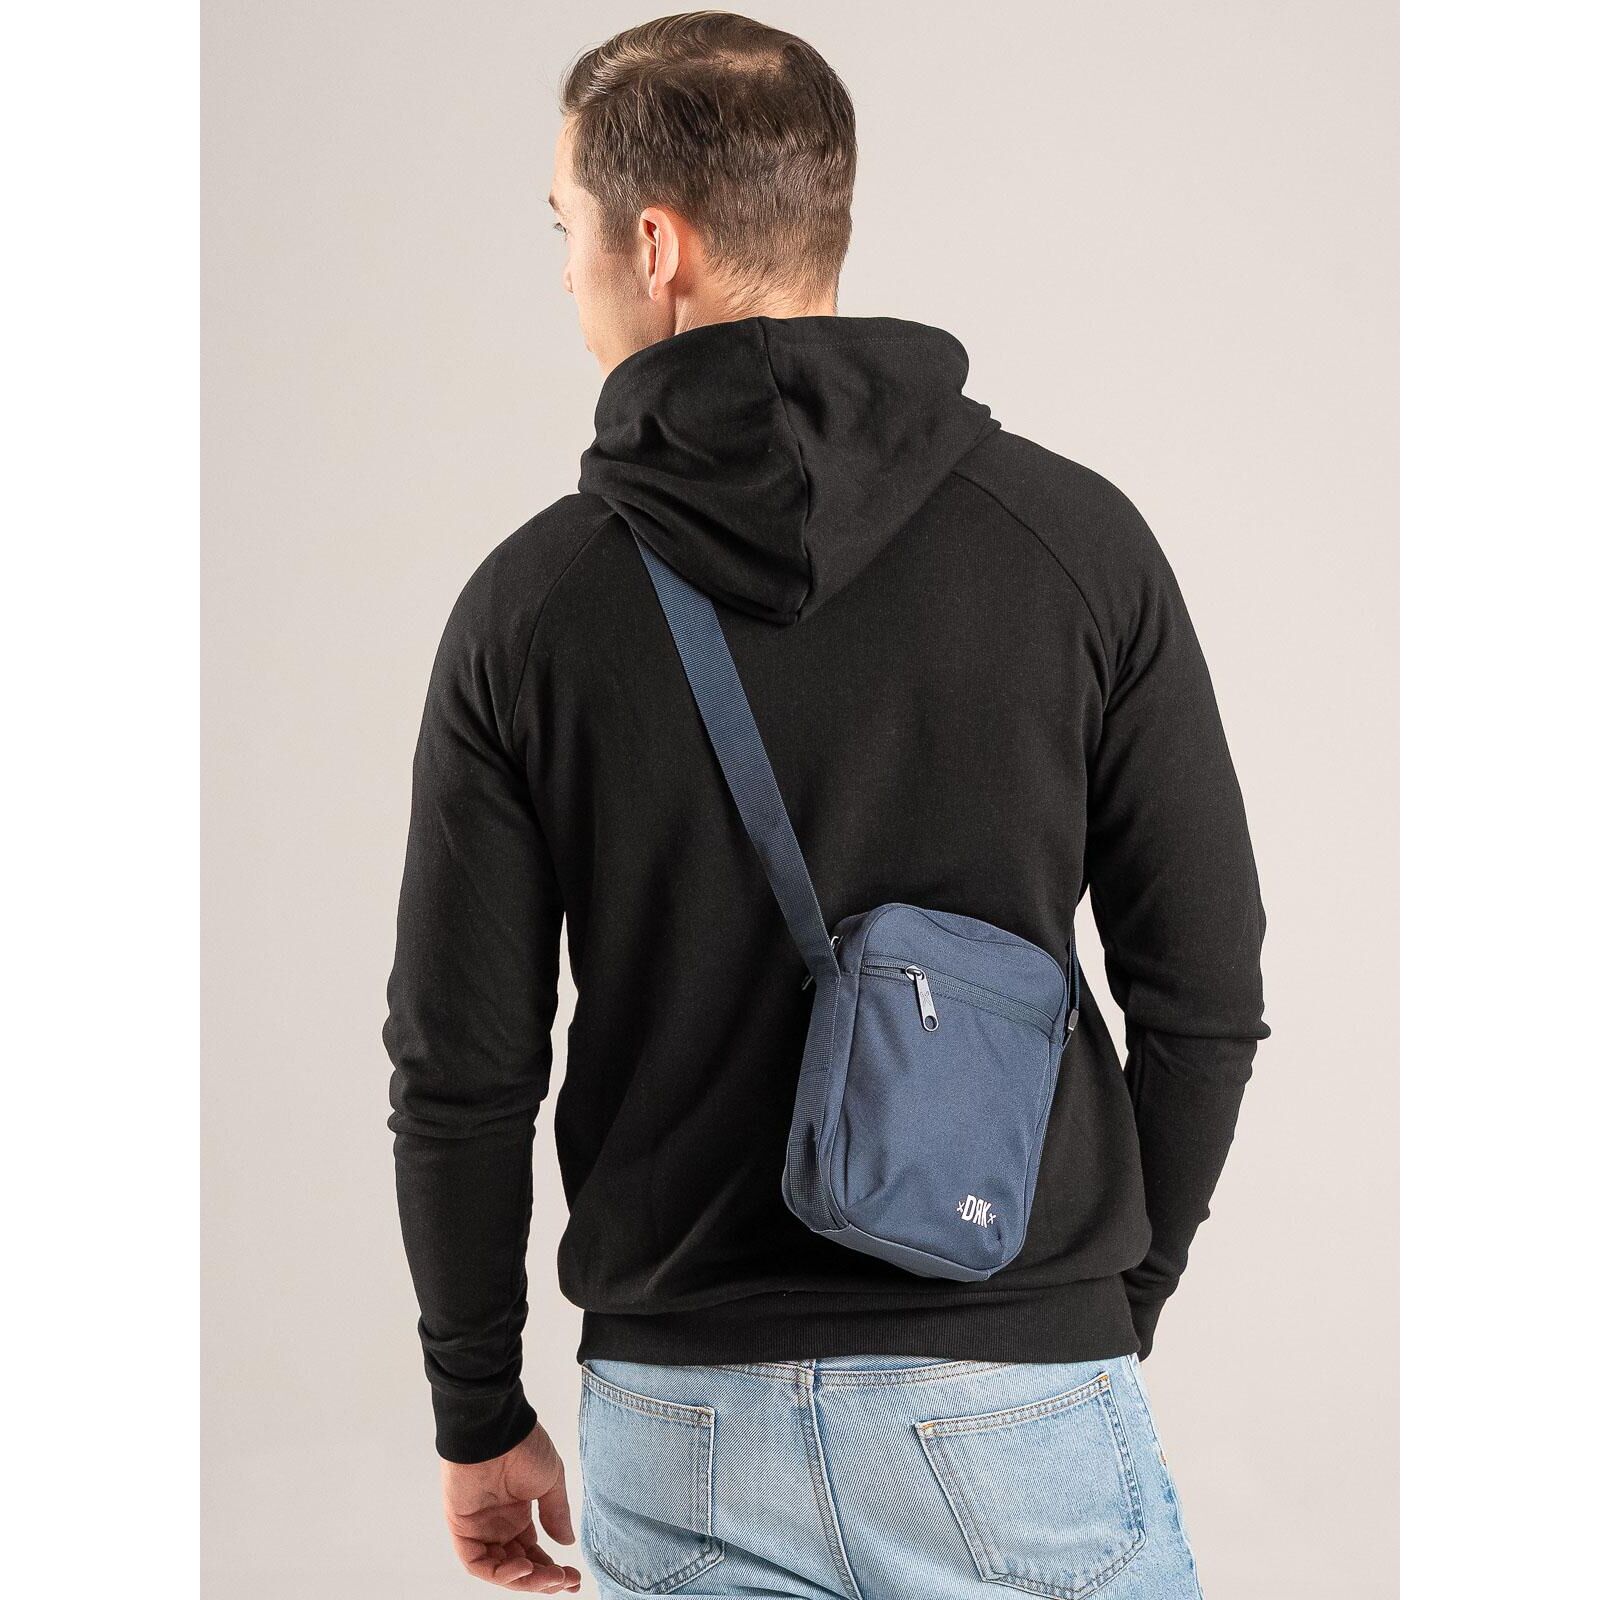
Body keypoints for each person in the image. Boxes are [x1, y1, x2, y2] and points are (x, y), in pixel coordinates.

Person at [383, 12, 1267, 1597]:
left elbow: (462, 1067)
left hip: (682, 1417)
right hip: (1017, 1385)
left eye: (565, 227)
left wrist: (476, 1407)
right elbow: (1203, 991)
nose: (565, 270)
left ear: (657, 246)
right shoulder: (1077, 546)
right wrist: (1089, 1316)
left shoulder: (531, 610)